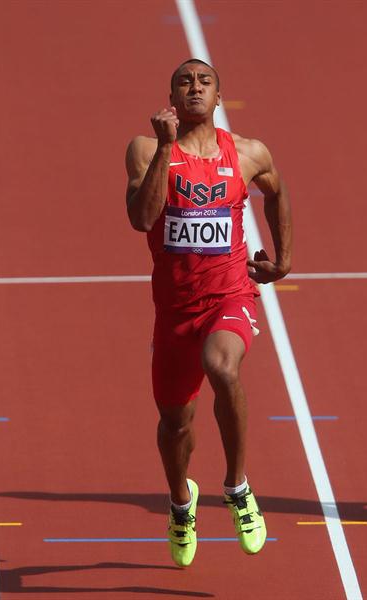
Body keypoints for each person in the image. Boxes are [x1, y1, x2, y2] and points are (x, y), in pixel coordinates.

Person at [125, 58, 292, 567]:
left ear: (219, 97)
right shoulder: (147, 149)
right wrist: (166, 149)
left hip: (230, 295)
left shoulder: (247, 153)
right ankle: (181, 504)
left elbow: (277, 191)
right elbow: (142, 218)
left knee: (223, 366)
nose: (194, 88)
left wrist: (283, 260)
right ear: (171, 98)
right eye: (184, 82)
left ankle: (237, 487)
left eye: (204, 82)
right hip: (174, 310)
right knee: (175, 423)